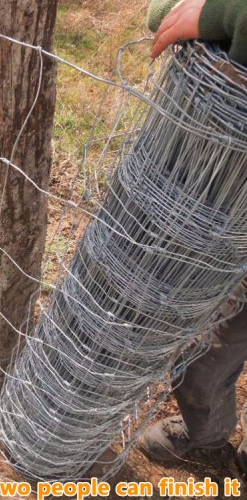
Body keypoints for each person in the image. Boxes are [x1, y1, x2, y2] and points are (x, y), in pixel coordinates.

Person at [137, 0, 247, 472]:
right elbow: (165, 13)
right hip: (233, 207)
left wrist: (219, 14)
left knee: (215, 334)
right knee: (214, 338)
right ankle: (207, 437)